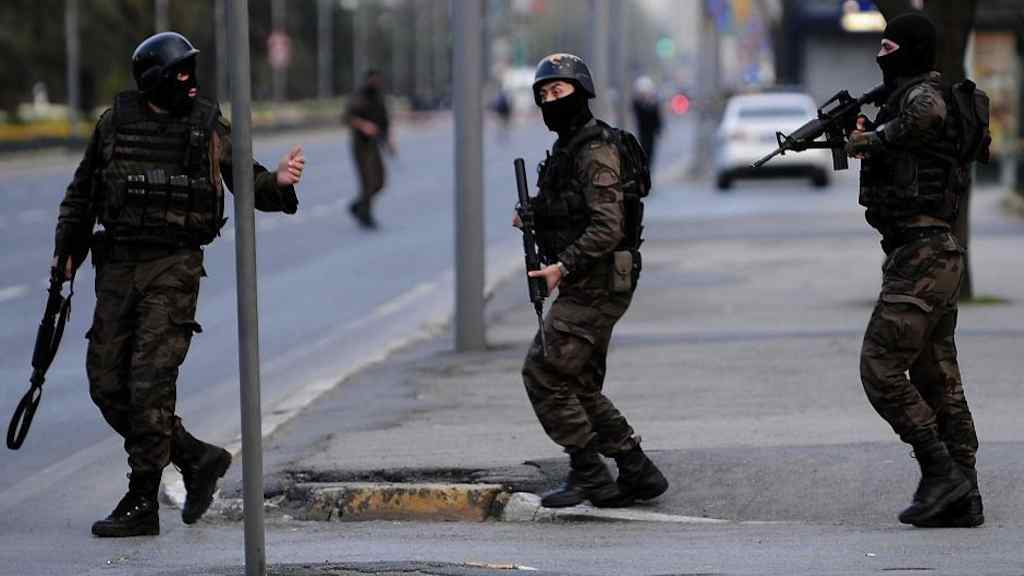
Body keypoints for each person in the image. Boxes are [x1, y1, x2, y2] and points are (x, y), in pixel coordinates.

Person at [51, 32, 305, 538]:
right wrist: (66, 253)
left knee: (149, 385)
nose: (189, 82)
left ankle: (142, 499)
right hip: (118, 268)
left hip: (174, 267)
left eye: (193, 72)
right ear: (154, 79)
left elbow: (247, 178)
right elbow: (82, 195)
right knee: (107, 385)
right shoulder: (114, 124)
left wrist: (279, 181)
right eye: (180, 73)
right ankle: (195, 456)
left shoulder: (207, 126)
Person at [846, 13, 982, 527]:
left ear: (910, 50)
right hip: (926, 253)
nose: (881, 56)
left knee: (879, 367)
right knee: (935, 375)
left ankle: (941, 471)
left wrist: (871, 141)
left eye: (888, 46)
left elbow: (924, 116)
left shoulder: (923, 96)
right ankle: (964, 495)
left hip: (924, 255)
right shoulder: (900, 99)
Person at [516, 53, 667, 509]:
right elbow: (571, 209)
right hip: (588, 277)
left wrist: (563, 265)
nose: (550, 101)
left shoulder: (594, 149)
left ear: (582, 94)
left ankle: (588, 472)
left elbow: (607, 226)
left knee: (543, 370)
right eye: (543, 95)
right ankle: (637, 471)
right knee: (577, 380)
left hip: (598, 278)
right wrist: (536, 217)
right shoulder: (569, 148)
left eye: (558, 92)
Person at [346, 69, 394, 229]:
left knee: (379, 182)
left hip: (375, 145)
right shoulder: (359, 96)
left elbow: (385, 122)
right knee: (367, 182)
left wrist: (389, 143)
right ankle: (365, 216)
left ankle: (357, 206)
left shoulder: (379, 97)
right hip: (361, 145)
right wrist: (363, 125)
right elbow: (348, 117)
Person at [631, 76, 663, 169]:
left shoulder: (653, 103)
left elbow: (657, 117)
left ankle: (647, 170)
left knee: (650, 153)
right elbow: (637, 110)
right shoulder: (639, 104)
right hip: (643, 132)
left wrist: (659, 129)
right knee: (644, 152)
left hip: (651, 133)